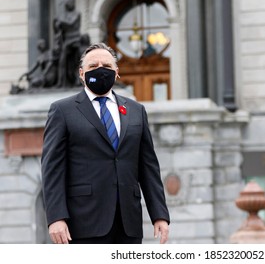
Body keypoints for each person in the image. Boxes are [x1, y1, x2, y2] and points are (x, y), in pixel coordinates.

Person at [41, 42, 170, 244]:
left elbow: (148, 167)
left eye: (107, 66)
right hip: (83, 223)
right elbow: (52, 168)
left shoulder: (136, 111)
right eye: (93, 66)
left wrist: (159, 214)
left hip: (128, 223)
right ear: (81, 73)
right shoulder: (62, 111)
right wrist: (56, 218)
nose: (101, 70)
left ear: (117, 73)